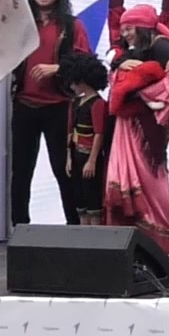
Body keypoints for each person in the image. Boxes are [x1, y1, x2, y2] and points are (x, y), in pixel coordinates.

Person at [0, 0, 91, 226]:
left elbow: (87, 66)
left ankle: (75, 229)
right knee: (21, 171)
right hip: (24, 106)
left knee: (64, 170)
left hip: (60, 107)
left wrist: (57, 68)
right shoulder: (22, 25)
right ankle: (20, 228)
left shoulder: (72, 25)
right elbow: (1, 65)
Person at [103, 5, 169, 256]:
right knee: (131, 176)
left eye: (130, 28)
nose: (125, 34)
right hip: (129, 121)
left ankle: (163, 237)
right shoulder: (133, 49)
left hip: (147, 123)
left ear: (143, 27)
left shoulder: (163, 47)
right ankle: (132, 238)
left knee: (151, 178)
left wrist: (141, 94)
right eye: (123, 29)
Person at [59, 52, 109, 226]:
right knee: (80, 201)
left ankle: (95, 237)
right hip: (76, 156)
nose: (71, 86)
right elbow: (69, 131)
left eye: (73, 82)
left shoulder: (98, 104)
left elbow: (99, 133)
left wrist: (92, 160)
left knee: (93, 201)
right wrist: (68, 158)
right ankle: (83, 235)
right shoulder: (74, 103)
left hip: (89, 158)